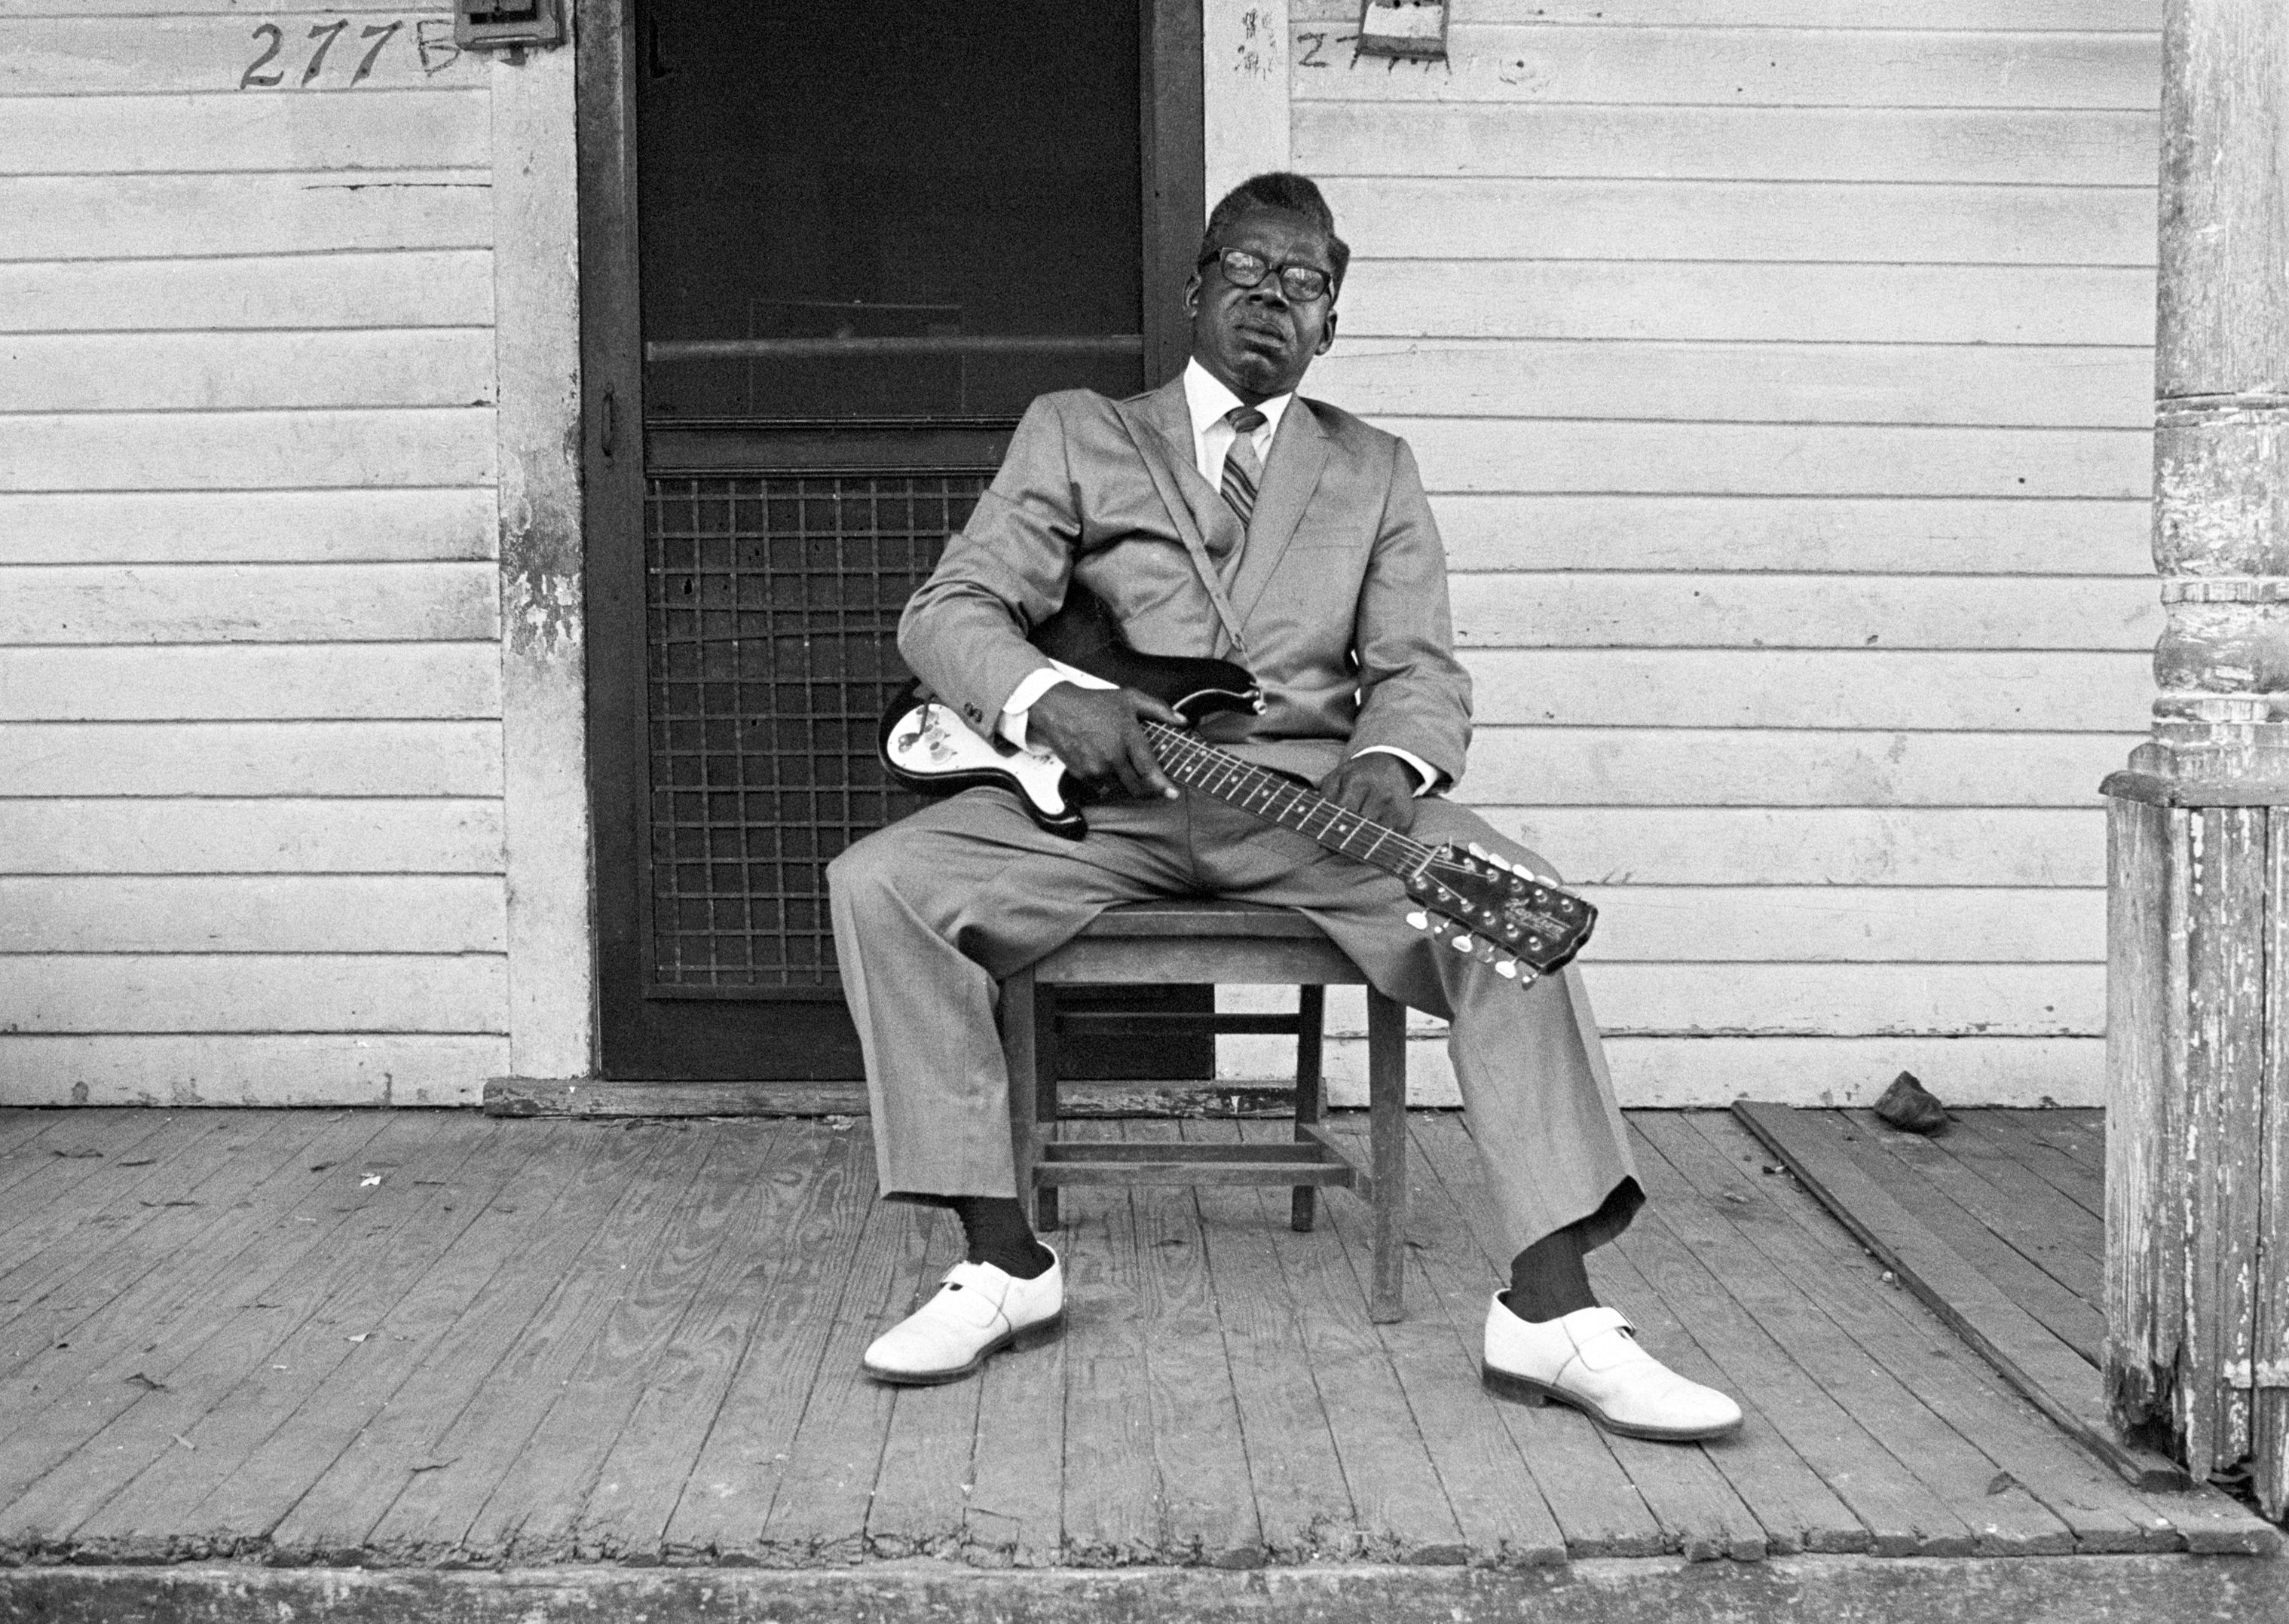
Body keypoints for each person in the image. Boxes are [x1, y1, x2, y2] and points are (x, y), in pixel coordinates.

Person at [827, 173, 1740, 1442]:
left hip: (1311, 820)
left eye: (1303, 285)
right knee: (881, 882)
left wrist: (1395, 768)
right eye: (1247, 272)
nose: (1271, 301)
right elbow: (949, 611)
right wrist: (1048, 699)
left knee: (1509, 910)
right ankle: (1000, 1263)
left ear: (1330, 324)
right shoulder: (1080, 430)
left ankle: (1549, 1307)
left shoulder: (1374, 468)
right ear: (1197, 287)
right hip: (1103, 813)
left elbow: (1418, 669)